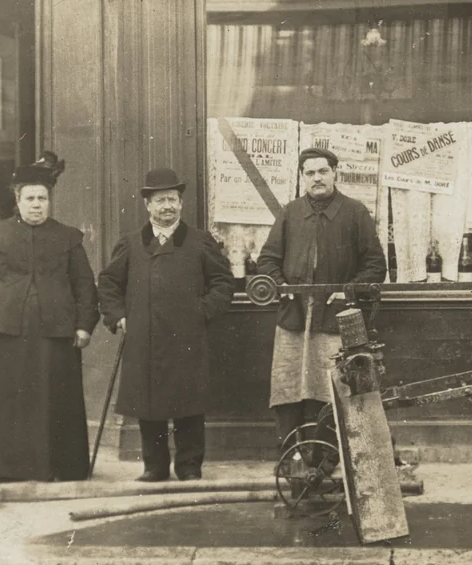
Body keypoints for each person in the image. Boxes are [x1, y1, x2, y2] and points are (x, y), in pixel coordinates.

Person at [0, 154, 99, 482]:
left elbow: (85, 285)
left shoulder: (68, 238)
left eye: (42, 198)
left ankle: (53, 467)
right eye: (30, 198)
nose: (37, 205)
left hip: (53, 334)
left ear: (50, 201)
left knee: (49, 402)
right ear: (18, 200)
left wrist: (85, 324)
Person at [98, 168, 236, 481]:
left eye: (172, 200)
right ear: (147, 205)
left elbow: (223, 282)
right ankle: (155, 467)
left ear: (181, 203)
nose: (167, 207)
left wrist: (202, 311)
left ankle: (189, 467)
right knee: (150, 406)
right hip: (144, 338)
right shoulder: (131, 244)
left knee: (189, 405)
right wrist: (118, 316)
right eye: (160, 201)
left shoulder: (200, 242)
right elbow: (108, 283)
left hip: (187, 337)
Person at [257, 146, 387, 453]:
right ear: (302, 177)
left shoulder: (355, 212)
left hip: (335, 319)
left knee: (332, 389)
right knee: (290, 387)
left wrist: (349, 290)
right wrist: (282, 285)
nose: (317, 178)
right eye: (310, 173)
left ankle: (328, 459)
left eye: (323, 171)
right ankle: (292, 458)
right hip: (295, 318)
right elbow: (267, 260)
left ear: (335, 174)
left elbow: (375, 265)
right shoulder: (290, 213)